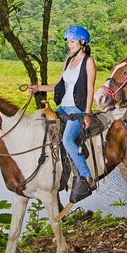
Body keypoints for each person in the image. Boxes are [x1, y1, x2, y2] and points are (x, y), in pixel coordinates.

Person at [28, 25, 97, 201]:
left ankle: (86, 176)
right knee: (40, 126)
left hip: (77, 110)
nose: (69, 45)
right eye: (68, 42)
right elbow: (59, 86)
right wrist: (38, 88)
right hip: (63, 108)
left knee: (67, 140)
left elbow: (90, 89)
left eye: (72, 41)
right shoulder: (68, 61)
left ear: (82, 42)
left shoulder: (88, 62)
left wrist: (87, 114)